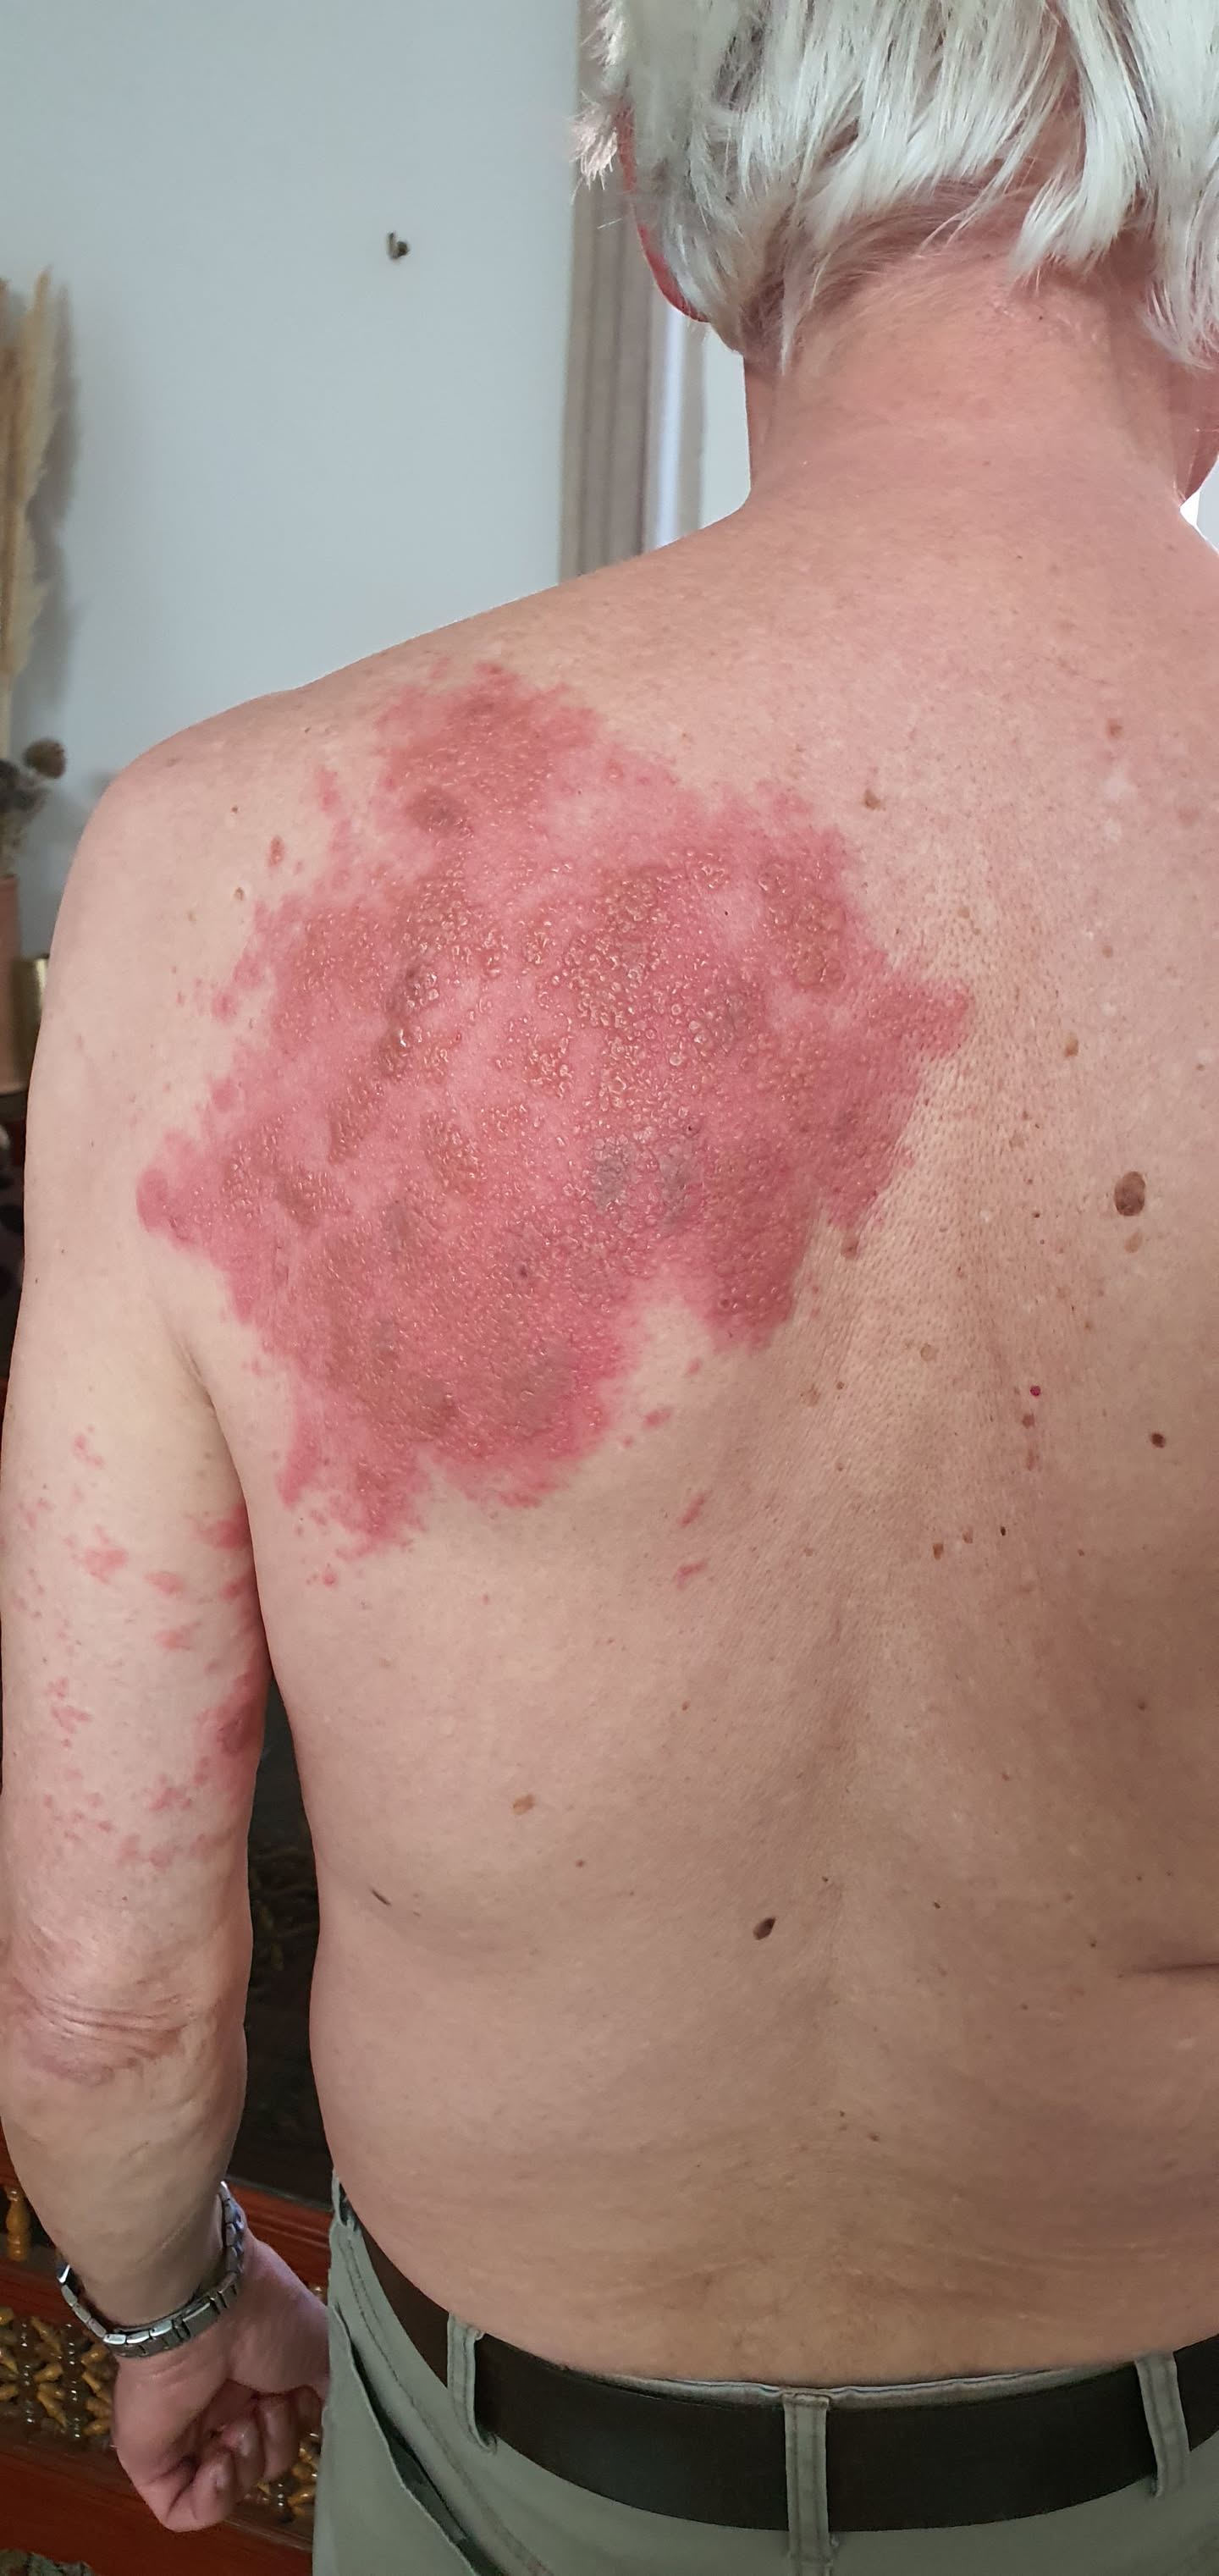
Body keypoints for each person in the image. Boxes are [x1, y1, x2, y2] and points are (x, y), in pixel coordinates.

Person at [1, 1, 1217, 2568]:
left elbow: (106, 1989)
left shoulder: (224, 886)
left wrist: (166, 2300)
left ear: (672, 228)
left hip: (506, 2476)